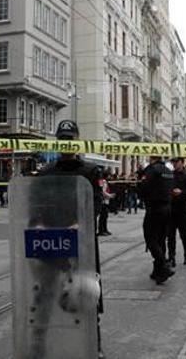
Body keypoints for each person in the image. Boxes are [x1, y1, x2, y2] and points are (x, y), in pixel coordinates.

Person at [39, 120, 105, 358]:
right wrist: (38, 224)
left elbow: (97, 202)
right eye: (63, 139)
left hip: (81, 241)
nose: (66, 144)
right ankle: (42, 344)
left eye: (70, 139)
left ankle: (94, 343)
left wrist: (83, 222)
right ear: (58, 142)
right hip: (52, 241)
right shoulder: (47, 172)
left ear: (77, 140)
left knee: (87, 291)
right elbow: (38, 204)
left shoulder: (90, 170)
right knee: (47, 292)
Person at [138, 156, 175, 284]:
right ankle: (158, 272)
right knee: (160, 239)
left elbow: (144, 188)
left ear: (151, 158)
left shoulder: (152, 170)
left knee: (150, 238)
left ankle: (164, 265)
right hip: (167, 208)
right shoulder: (168, 171)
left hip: (154, 208)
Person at [168, 158, 186, 267]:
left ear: (181, 162)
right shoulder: (170, 175)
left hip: (183, 209)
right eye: (173, 162)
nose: (174, 164)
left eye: (176, 162)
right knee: (170, 235)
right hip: (171, 209)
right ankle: (171, 257)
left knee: (184, 234)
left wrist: (181, 192)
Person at [97, 170, 114, 236]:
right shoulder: (103, 181)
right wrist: (110, 195)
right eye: (109, 175)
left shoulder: (103, 181)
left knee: (105, 216)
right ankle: (102, 230)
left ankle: (105, 229)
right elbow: (102, 191)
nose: (110, 176)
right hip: (103, 201)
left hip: (105, 201)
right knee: (103, 216)